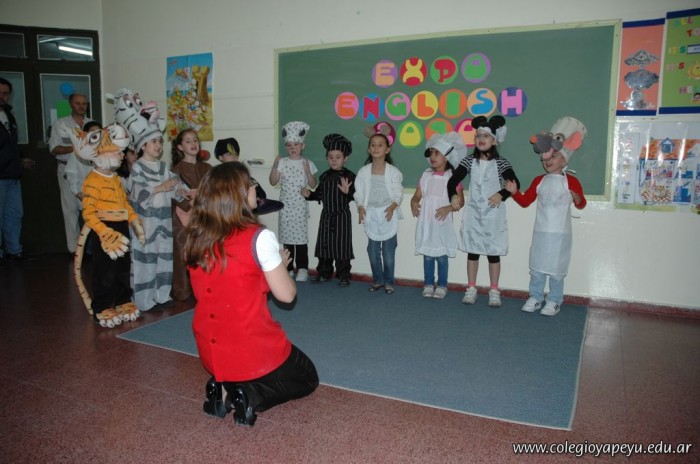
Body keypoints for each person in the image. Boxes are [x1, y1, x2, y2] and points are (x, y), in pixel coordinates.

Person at [185, 161, 318, 427]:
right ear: (239, 195)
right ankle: (248, 394)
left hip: (211, 350)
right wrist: (280, 266)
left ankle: (221, 389)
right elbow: (287, 295)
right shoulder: (259, 237)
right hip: (250, 347)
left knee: (237, 358)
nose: (255, 189)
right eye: (251, 184)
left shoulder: (197, 236)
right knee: (306, 376)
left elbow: (233, 285)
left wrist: (267, 269)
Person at [505, 116, 588, 316]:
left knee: (557, 270)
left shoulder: (572, 181)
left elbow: (582, 204)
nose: (548, 161)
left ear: (564, 159)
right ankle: (535, 297)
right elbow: (526, 201)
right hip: (541, 234)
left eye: (553, 157)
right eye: (545, 159)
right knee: (538, 267)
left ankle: (554, 300)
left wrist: (577, 198)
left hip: (560, 235)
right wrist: (514, 192)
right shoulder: (538, 181)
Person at [71, 122, 145, 327]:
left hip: (121, 226)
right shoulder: (92, 180)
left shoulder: (115, 179)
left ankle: (123, 301)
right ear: (102, 153)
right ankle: (102, 307)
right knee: (105, 270)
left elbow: (125, 204)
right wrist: (104, 233)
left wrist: (134, 221)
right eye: (118, 151)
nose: (122, 155)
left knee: (123, 267)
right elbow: (88, 212)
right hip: (104, 229)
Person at [446, 115, 519, 307]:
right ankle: (471, 288)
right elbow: (452, 181)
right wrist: (452, 195)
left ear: (494, 140)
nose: (481, 139)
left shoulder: (502, 163)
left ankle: (494, 290)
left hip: (493, 214)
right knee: (473, 251)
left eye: (486, 136)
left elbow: (514, 184)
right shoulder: (469, 161)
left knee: (493, 253)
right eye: (478, 135)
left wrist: (502, 193)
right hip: (474, 213)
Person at [128, 120, 185, 312]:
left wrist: (181, 191)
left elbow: (175, 186)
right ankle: (144, 300)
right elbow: (138, 193)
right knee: (146, 260)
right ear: (143, 145)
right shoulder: (137, 167)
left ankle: (162, 295)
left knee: (163, 258)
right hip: (146, 224)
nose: (158, 145)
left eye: (160, 141)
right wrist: (161, 188)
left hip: (163, 223)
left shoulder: (162, 167)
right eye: (153, 141)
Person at [410, 132, 466, 299]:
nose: (432, 157)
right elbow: (417, 195)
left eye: (437, 153)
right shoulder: (426, 175)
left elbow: (460, 201)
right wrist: (414, 202)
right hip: (427, 221)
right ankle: (428, 283)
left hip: (442, 221)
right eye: (431, 153)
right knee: (428, 255)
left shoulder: (452, 177)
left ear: (447, 157)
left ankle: (442, 285)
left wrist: (448, 208)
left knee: (441, 256)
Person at [354, 125, 404, 294]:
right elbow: (359, 192)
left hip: (387, 214)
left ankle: (389, 281)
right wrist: (361, 207)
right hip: (372, 214)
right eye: (373, 145)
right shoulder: (363, 172)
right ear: (369, 149)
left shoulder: (393, 172)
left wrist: (393, 207)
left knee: (388, 253)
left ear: (387, 149)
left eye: (380, 145)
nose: (376, 148)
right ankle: (378, 280)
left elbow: (398, 193)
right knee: (372, 250)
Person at [301, 133, 356, 286]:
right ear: (327, 158)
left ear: (345, 158)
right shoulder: (324, 176)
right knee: (324, 245)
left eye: (338, 157)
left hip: (342, 217)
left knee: (342, 246)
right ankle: (324, 272)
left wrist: (348, 192)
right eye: (330, 157)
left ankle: (344, 274)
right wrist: (309, 195)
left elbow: (357, 195)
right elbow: (319, 194)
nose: (334, 160)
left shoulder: (350, 176)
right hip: (326, 216)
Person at [269, 121, 318, 282]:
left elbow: (313, 184)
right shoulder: (282, 162)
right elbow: (273, 181)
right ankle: (289, 268)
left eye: (296, 144)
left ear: (302, 146)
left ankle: (302, 268)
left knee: (301, 240)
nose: (292, 147)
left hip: (299, 207)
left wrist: (308, 172)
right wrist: (275, 166)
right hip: (285, 207)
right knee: (287, 240)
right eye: (289, 145)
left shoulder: (307, 163)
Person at [170, 128, 211, 302]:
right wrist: (190, 201)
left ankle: (207, 287)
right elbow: (174, 194)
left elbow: (214, 190)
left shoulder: (207, 168)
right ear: (180, 147)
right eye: (188, 141)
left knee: (206, 249)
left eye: (195, 140)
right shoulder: (176, 170)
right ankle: (183, 290)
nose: (193, 144)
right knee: (184, 250)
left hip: (204, 213)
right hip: (184, 215)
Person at [48, 93, 92, 255]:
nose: (81, 106)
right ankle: (74, 249)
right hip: (67, 169)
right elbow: (54, 149)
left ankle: (90, 248)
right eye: (77, 103)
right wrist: (77, 148)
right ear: (71, 105)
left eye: (84, 103)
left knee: (89, 208)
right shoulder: (61, 124)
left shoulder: (91, 124)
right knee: (71, 210)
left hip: (88, 170)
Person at [0, 77, 30, 262]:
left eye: (5, 93)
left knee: (14, 214)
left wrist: (19, 160)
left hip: (12, 174)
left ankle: (14, 251)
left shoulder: (9, 116)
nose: (2, 96)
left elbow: (10, 145)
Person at [214, 137, 283, 214]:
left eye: (236, 154)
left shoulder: (242, 174)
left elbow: (260, 192)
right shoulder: (217, 177)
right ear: (220, 157)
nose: (234, 156)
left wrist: (257, 197)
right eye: (229, 154)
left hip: (244, 213)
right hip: (226, 213)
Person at [65, 121, 101, 207]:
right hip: (86, 198)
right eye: (93, 131)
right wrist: (78, 193)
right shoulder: (77, 152)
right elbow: (71, 174)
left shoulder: (105, 151)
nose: (96, 134)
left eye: (99, 132)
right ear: (85, 134)